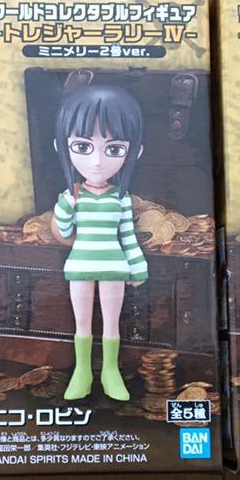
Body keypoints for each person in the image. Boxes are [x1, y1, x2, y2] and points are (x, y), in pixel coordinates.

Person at [51, 84, 147, 401]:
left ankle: (110, 371)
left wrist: (137, 267)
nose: (96, 161)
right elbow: (64, 229)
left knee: (111, 323)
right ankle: (82, 371)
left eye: (114, 149)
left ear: (134, 152)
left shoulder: (121, 198)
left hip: (114, 267)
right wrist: (66, 204)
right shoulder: (73, 196)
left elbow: (128, 236)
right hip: (79, 265)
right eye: (82, 146)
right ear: (62, 147)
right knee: (82, 323)